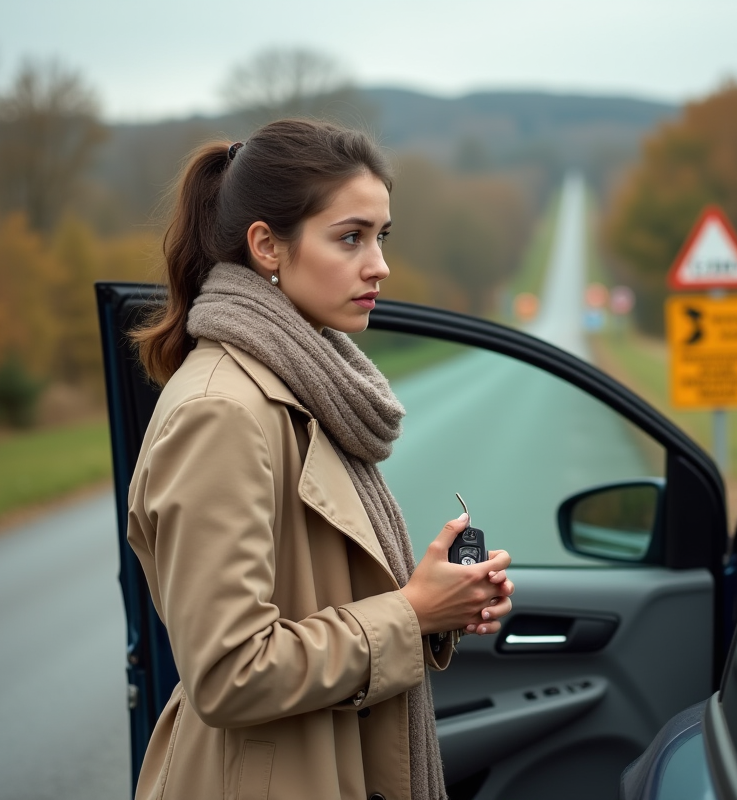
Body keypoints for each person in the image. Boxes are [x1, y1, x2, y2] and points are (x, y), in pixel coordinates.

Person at [125, 119, 515, 800]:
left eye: (381, 237)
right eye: (350, 237)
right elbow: (228, 670)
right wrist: (411, 614)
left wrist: (438, 603)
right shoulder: (223, 412)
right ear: (268, 246)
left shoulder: (307, 386)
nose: (379, 265)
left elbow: (319, 596)